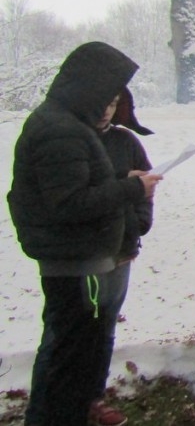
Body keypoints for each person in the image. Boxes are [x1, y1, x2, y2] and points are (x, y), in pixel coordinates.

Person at [7, 41, 163, 426]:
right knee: (66, 350)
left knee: (84, 345)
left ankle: (76, 410)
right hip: (74, 262)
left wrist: (131, 198)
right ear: (89, 88)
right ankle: (51, 417)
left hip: (90, 257)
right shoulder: (60, 131)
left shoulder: (67, 125)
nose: (109, 107)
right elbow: (70, 203)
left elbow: (79, 188)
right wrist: (131, 189)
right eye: (106, 96)